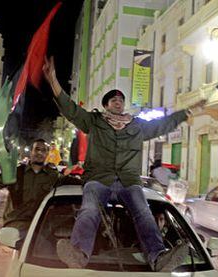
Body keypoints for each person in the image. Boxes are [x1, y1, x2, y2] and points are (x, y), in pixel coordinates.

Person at [42, 56, 204, 271]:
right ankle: (79, 254)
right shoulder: (94, 121)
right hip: (99, 179)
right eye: (113, 100)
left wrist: (187, 112)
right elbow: (70, 109)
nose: (118, 102)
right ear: (106, 105)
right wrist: (53, 80)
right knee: (89, 209)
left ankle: (159, 257)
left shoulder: (138, 126)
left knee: (143, 212)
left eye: (120, 100)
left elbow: (163, 125)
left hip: (129, 182)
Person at [0, 139, 82, 240]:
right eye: (37, 149)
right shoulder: (15, 173)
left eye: (44, 150)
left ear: (47, 154)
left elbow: (74, 183)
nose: (40, 153)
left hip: (39, 223)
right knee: (36, 241)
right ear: (31, 152)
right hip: (17, 222)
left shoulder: (53, 176)